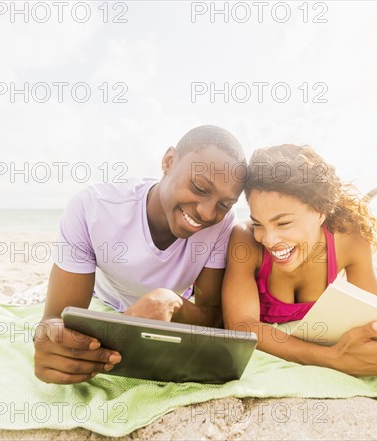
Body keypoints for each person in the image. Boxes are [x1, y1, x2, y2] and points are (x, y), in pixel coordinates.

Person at [34, 125, 246, 384]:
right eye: (200, 188)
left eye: (224, 205)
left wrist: (169, 301)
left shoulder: (223, 224)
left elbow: (210, 315)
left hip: (178, 301)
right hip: (107, 297)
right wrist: (50, 341)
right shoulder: (92, 209)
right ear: (169, 162)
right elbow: (55, 318)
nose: (207, 213)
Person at [222, 145, 377, 376]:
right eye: (258, 223)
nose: (268, 239)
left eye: (283, 223)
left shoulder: (350, 239)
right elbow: (241, 326)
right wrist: (332, 358)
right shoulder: (245, 241)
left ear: (320, 212)